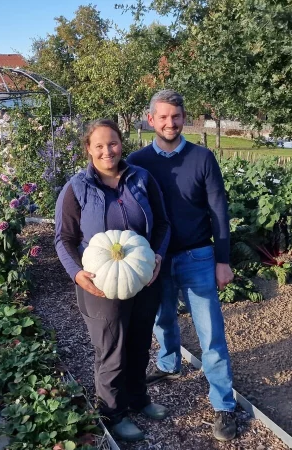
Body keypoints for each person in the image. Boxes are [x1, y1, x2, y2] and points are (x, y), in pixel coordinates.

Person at [126, 89, 238, 441]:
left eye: (175, 116)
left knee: (211, 333)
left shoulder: (202, 158)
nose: (170, 123)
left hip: (197, 256)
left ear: (184, 118)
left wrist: (223, 260)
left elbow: (218, 211)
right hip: (155, 259)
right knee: (162, 317)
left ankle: (223, 404)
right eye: (163, 117)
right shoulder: (137, 161)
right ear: (151, 120)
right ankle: (168, 363)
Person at [54, 119, 171, 442]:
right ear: (88, 149)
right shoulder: (76, 188)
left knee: (140, 342)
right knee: (111, 349)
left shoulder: (141, 178)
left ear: (122, 144)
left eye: (113, 143)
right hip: (100, 283)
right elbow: (63, 238)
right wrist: (76, 273)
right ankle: (112, 413)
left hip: (143, 276)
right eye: (100, 146)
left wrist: (158, 255)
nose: (108, 151)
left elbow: (163, 224)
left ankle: (138, 398)